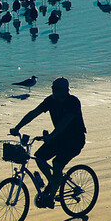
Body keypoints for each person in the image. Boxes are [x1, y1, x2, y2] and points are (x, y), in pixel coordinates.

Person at [9, 77, 86, 208]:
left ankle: (51, 197)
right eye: (52, 88)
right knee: (39, 157)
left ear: (65, 90)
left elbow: (65, 122)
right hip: (59, 138)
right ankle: (53, 182)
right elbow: (34, 113)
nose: (53, 91)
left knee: (57, 163)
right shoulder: (51, 100)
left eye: (56, 89)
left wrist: (52, 135)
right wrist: (18, 127)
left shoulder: (73, 102)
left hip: (75, 140)